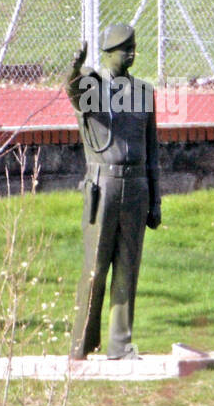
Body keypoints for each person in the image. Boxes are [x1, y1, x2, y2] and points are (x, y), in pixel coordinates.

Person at [65, 23, 161, 360]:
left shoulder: (144, 92)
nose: (132, 53)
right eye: (125, 48)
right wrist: (74, 70)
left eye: (134, 46)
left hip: (136, 187)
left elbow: (152, 150)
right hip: (102, 186)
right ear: (108, 52)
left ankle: (121, 344)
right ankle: (81, 343)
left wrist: (155, 200)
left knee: (128, 268)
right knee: (95, 269)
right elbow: (75, 91)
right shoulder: (94, 86)